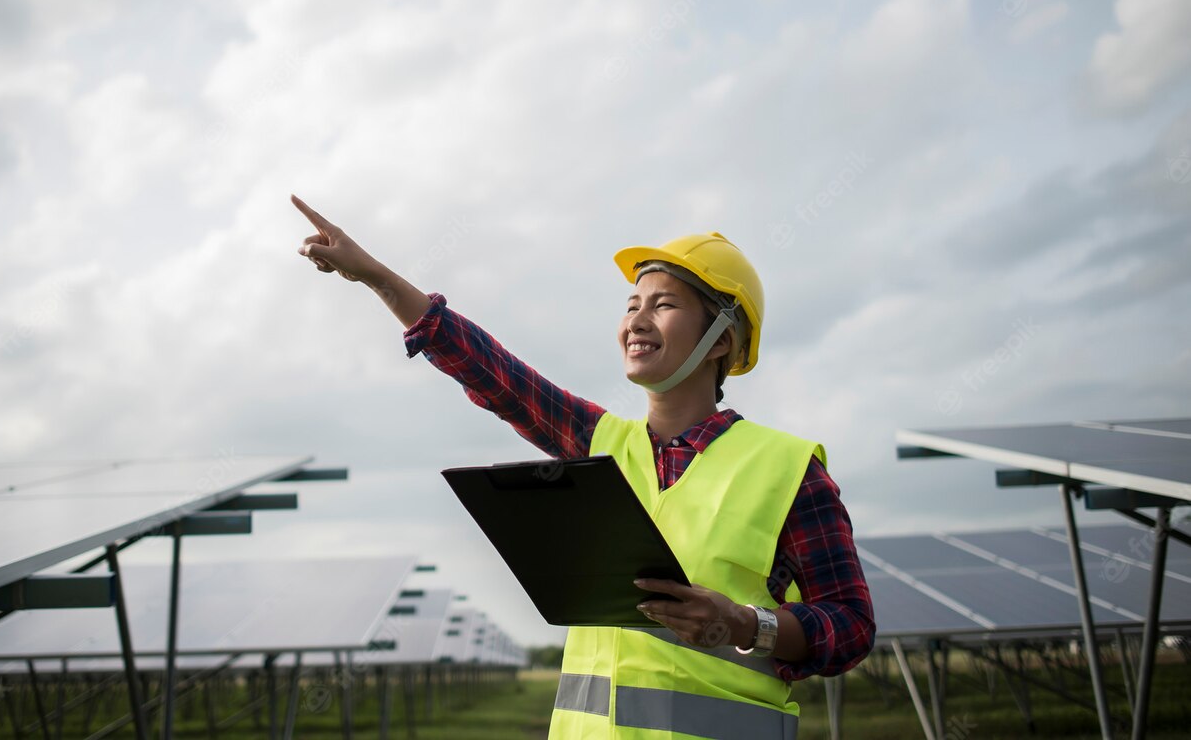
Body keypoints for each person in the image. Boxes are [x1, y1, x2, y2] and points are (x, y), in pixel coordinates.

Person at [291, 194, 875, 739]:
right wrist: (374, 276)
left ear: (722, 339)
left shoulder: (789, 470)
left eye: (664, 305)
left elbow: (850, 627)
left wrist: (750, 625)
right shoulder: (600, 444)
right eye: (631, 306)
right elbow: (495, 374)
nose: (638, 320)